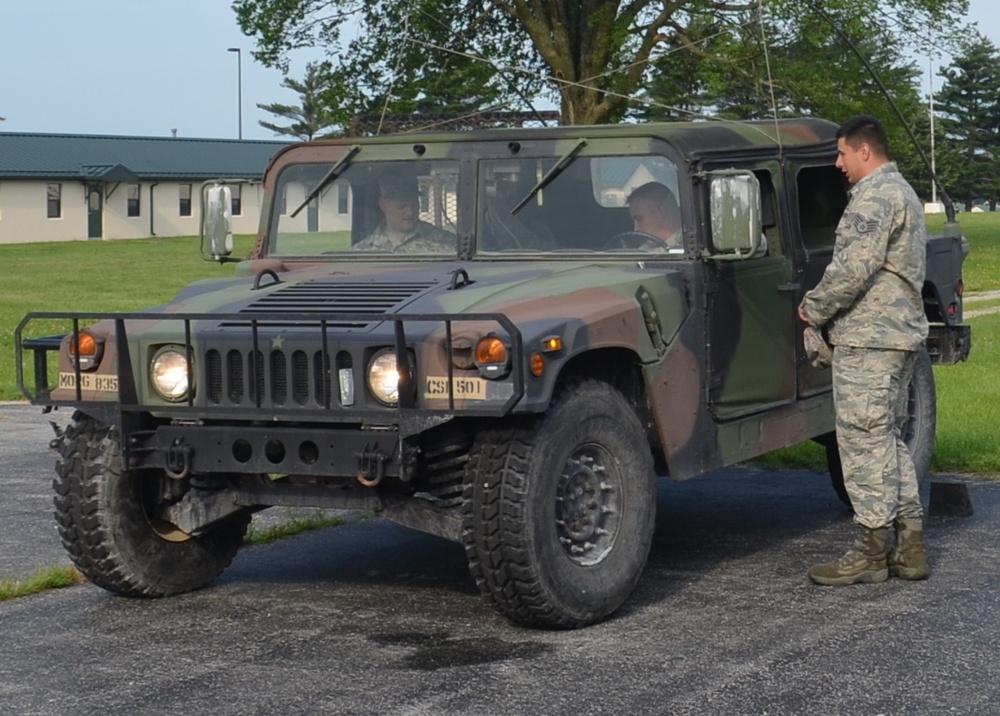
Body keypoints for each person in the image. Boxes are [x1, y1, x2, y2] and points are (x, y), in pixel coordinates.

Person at [798, 114, 929, 586]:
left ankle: (870, 554)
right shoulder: (905, 193)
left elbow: (852, 269)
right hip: (898, 336)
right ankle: (909, 547)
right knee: (888, 439)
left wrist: (811, 309)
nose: (838, 163)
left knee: (861, 441)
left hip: (871, 339)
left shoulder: (874, 197)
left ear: (865, 151)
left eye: (842, 154)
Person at [354, 175, 455, 253]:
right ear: (383, 204)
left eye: (414, 205)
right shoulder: (362, 251)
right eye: (402, 206)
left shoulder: (446, 242)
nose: (410, 212)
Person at [624, 182, 682, 250]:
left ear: (661, 212)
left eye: (639, 219)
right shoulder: (647, 249)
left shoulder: (686, 248)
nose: (635, 229)